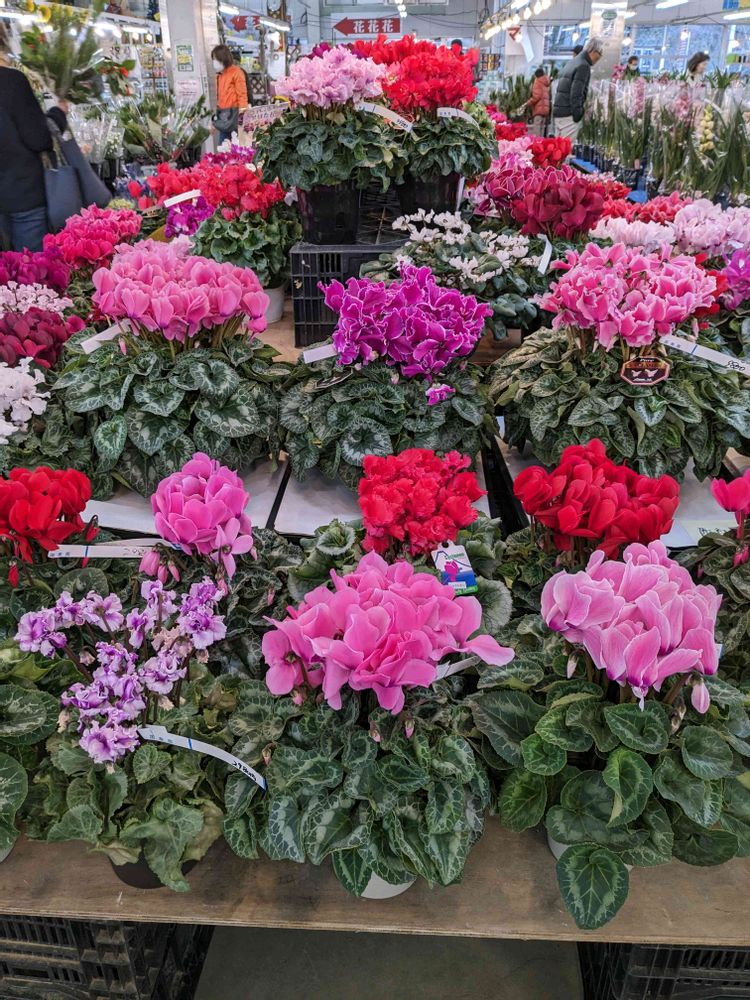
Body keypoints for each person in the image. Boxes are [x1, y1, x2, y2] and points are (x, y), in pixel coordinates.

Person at [0, 22, 56, 252]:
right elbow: (38, 139)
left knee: (7, 269)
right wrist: (57, 115)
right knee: (32, 267)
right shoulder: (12, 81)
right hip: (24, 194)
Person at [553, 36, 603, 143]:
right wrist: (578, 114)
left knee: (558, 149)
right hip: (569, 115)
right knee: (566, 148)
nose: (599, 58)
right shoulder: (583, 66)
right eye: (599, 54)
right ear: (594, 51)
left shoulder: (572, 62)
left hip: (559, 112)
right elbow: (576, 93)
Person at [211, 44, 248, 144]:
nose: (214, 62)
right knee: (223, 147)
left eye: (215, 59)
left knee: (236, 146)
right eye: (213, 59)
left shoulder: (236, 72)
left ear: (223, 58)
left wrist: (242, 117)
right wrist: (215, 120)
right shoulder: (219, 75)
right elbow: (219, 98)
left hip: (234, 117)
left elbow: (242, 95)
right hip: (223, 117)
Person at [527, 67, 551, 136]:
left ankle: (537, 142)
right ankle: (541, 142)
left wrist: (528, 103)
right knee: (542, 130)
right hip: (545, 110)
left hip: (538, 110)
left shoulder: (537, 82)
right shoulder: (546, 83)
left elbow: (536, 97)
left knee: (537, 131)